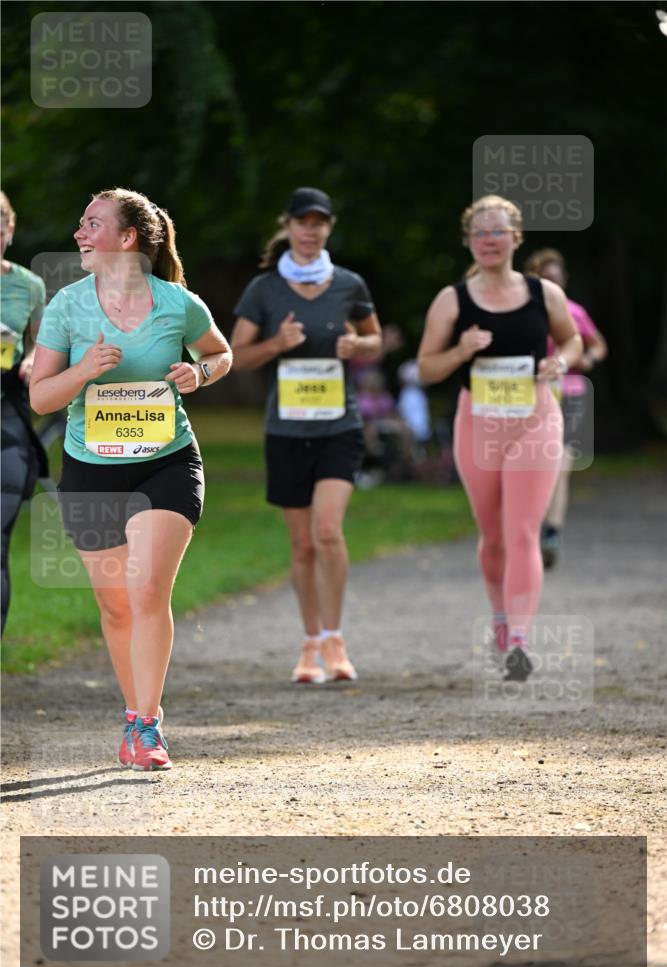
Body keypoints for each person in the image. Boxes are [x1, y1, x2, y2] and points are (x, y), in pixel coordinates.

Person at [30, 188, 232, 770]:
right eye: (80, 223)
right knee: (117, 606)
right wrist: (83, 372)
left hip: (167, 461)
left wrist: (199, 373)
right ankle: (133, 716)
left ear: (127, 238)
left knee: (146, 592)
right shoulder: (68, 305)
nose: (79, 233)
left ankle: (147, 725)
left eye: (92, 223)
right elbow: (41, 397)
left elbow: (220, 354)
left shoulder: (178, 303)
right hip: (90, 470)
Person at [417, 195, 582, 680]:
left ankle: (521, 640)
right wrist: (461, 350)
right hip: (479, 423)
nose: (489, 240)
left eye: (499, 231)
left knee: (523, 531)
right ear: (469, 241)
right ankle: (502, 619)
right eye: (481, 232)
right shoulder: (452, 300)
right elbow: (426, 368)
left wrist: (561, 361)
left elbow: (573, 339)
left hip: (535, 419)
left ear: (516, 238)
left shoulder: (543, 293)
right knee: (493, 535)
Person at [230, 187, 382, 683]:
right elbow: (236, 356)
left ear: (329, 228)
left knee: (328, 531)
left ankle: (336, 640)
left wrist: (358, 345)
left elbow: (375, 339)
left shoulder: (349, 284)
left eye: (319, 223)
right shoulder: (265, 289)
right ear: (288, 226)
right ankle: (309, 642)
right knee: (302, 545)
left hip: (340, 426)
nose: (310, 231)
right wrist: (277, 343)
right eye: (303, 222)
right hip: (287, 431)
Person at [524, 248, 608, 567]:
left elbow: (598, 344)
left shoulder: (574, 311)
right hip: (530, 394)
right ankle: (533, 525)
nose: (553, 285)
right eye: (546, 279)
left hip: (570, 391)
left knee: (561, 460)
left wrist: (588, 358)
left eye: (557, 279)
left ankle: (551, 530)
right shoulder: (524, 312)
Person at [1, 191, 49, 634]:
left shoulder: (29, 286)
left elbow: (40, 343)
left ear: (10, 230)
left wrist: (33, 361)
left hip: (8, 414)